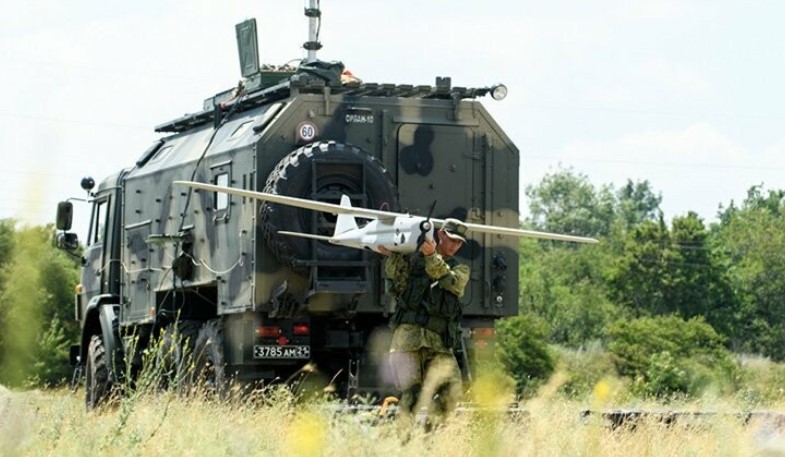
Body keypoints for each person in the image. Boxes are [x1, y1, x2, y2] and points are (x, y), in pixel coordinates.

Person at [378, 218, 470, 429]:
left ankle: (429, 433)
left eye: (459, 243)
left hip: (438, 343)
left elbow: (453, 283)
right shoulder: (413, 261)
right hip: (408, 341)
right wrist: (394, 256)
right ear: (440, 234)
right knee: (411, 396)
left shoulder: (460, 269)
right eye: (452, 239)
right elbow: (395, 286)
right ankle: (405, 440)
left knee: (452, 391)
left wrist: (431, 256)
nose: (455, 246)